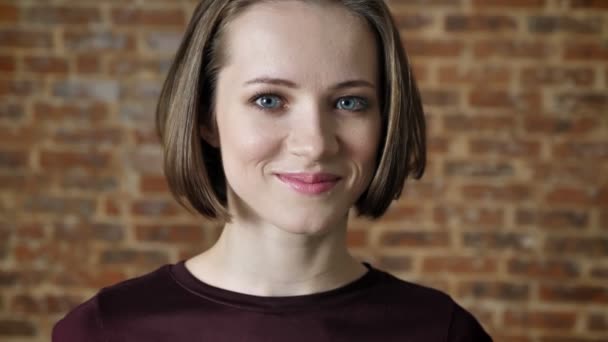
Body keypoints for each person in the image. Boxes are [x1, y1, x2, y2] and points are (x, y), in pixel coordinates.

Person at [52, 0, 493, 340]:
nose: (316, 143)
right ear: (207, 117)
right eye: (269, 100)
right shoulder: (102, 332)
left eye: (349, 102)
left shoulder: (443, 333)